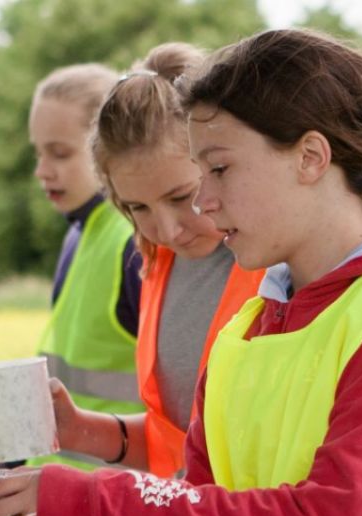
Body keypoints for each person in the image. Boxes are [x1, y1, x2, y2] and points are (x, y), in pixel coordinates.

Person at [0, 29, 362, 516]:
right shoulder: (247, 330)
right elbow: (197, 507)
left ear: (311, 158)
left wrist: (92, 503)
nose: (202, 200)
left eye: (217, 168)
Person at [0, 63, 144, 516]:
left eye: (61, 153)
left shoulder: (135, 243)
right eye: (38, 153)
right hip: (64, 507)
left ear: (105, 148)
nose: (41, 170)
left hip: (115, 510)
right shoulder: (79, 235)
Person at [46, 42, 263, 478]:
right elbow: (179, 444)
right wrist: (80, 430)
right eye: (138, 208)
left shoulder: (289, 265)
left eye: (182, 197)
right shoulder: (158, 264)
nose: (168, 231)